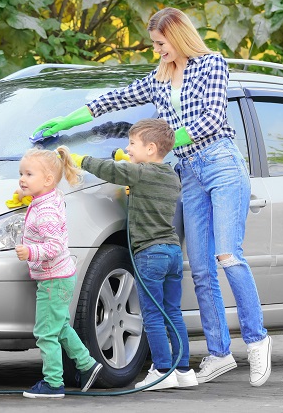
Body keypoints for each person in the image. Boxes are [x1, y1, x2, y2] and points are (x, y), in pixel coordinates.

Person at [31, 7, 272, 387]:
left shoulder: (212, 65)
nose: (157, 50)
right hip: (189, 171)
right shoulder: (158, 79)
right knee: (203, 270)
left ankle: (257, 341)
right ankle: (220, 353)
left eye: (161, 43)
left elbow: (210, 119)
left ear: (177, 36)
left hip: (221, 163)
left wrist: (156, 146)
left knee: (227, 254)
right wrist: (65, 122)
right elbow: (112, 100)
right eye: (155, 45)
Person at [70, 118, 197, 390]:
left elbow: (111, 170)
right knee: (172, 312)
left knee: (151, 314)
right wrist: (128, 163)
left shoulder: (140, 174)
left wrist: (80, 159)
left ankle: (162, 370)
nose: (127, 149)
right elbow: (134, 174)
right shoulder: (170, 177)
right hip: (172, 252)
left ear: (150, 149)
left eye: (132, 144)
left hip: (150, 253)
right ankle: (184, 370)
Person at [14, 146, 103, 399]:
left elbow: (54, 246)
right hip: (60, 276)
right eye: (21, 173)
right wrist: (24, 196)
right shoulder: (49, 197)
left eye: (29, 174)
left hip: (53, 279)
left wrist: (30, 252)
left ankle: (53, 383)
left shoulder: (46, 210)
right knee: (61, 325)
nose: (22, 179)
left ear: (48, 180)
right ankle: (87, 365)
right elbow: (41, 204)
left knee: (45, 332)